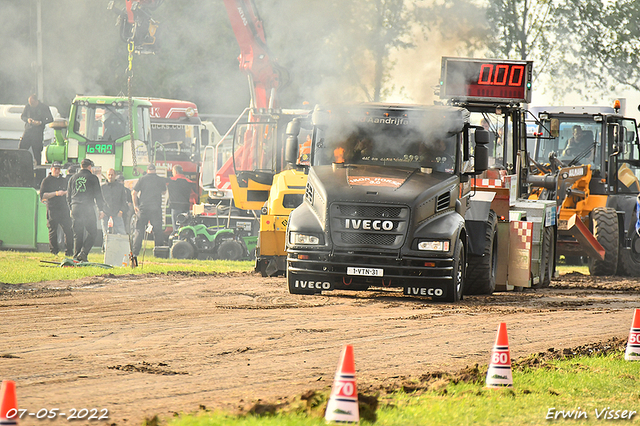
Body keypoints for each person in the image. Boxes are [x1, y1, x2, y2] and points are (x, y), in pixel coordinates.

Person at [67, 158, 105, 262]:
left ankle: (76, 257)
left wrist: (71, 208)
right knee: (92, 232)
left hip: (75, 207)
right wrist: (101, 209)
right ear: (89, 167)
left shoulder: (73, 178)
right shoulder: (93, 178)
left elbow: (68, 195)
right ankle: (83, 253)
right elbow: (98, 195)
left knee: (77, 234)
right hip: (87, 208)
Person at [132, 164, 168, 256]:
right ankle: (159, 253)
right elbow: (164, 192)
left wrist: (136, 205)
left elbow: (134, 193)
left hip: (143, 208)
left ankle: (135, 252)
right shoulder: (160, 179)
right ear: (155, 170)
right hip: (156, 208)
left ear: (147, 170)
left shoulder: (142, 179)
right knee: (158, 231)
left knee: (139, 230)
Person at [39, 161, 73, 257]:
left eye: (59, 169)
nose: (57, 171)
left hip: (64, 208)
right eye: (55, 169)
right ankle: (54, 251)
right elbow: (43, 196)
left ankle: (69, 251)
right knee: (53, 231)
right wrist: (56, 193)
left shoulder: (64, 180)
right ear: (51, 169)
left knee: (68, 230)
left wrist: (65, 193)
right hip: (53, 209)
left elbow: (69, 191)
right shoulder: (46, 181)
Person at [19, 94, 53, 166]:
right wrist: (27, 120)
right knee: (21, 149)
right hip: (28, 132)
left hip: (38, 133)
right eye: (30, 103)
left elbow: (50, 119)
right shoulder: (27, 107)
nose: (31, 104)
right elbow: (22, 116)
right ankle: (20, 164)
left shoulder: (44, 107)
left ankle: (38, 169)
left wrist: (41, 122)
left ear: (36, 101)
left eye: (32, 103)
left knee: (37, 153)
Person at [167, 165, 197, 231]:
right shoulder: (189, 182)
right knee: (186, 226)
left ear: (175, 172)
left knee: (176, 228)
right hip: (185, 207)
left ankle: (177, 238)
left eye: (173, 171)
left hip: (175, 207)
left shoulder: (171, 180)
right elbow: (194, 195)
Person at [101, 168, 128, 239]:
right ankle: (106, 248)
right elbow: (99, 200)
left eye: (112, 175)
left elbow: (124, 200)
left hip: (117, 213)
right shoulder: (102, 187)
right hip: (105, 213)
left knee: (122, 232)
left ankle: (123, 247)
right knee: (105, 234)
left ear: (115, 175)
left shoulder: (120, 187)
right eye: (109, 175)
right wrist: (101, 211)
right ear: (106, 175)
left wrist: (121, 211)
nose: (110, 176)